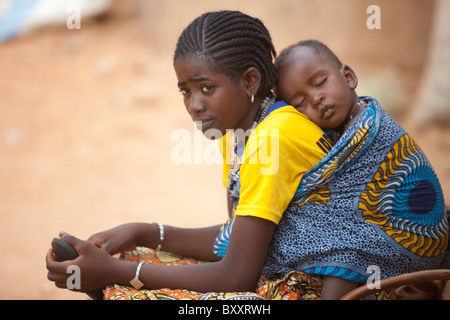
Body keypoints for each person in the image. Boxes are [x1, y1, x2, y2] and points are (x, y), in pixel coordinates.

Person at [46, 11, 335, 300]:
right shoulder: (239, 130)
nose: (194, 105)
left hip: (312, 286)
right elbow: (236, 237)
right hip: (275, 271)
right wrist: (144, 232)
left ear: (250, 81)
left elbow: (237, 275)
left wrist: (118, 274)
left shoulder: (273, 137)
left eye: (206, 88)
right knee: (128, 257)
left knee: (130, 286)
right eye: (186, 91)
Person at [270, 39, 449, 299]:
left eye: (320, 83)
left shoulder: (367, 131)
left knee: (343, 247)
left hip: (416, 238)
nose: (316, 98)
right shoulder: (342, 127)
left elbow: (316, 195)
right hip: (390, 227)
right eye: (300, 103)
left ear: (349, 77)